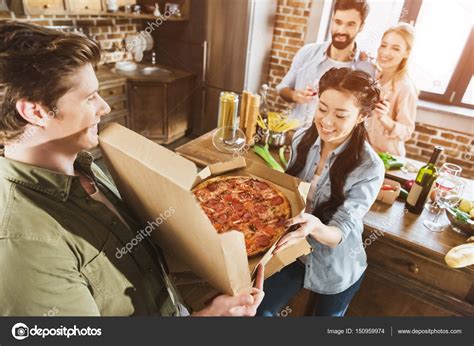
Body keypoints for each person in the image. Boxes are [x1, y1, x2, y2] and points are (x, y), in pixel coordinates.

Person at [0, 22, 264, 317]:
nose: (104, 107)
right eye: (89, 97)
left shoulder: (83, 165)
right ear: (36, 112)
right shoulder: (22, 246)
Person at [257, 67, 385, 317]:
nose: (326, 122)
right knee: (259, 311)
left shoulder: (369, 167)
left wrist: (314, 226)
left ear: (361, 116)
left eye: (340, 115)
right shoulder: (302, 138)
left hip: (337, 263)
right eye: (323, 108)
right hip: (293, 251)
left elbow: (342, 229)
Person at [277, 0, 374, 129]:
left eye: (350, 24)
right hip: (293, 133)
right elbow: (282, 88)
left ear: (361, 26)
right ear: (332, 20)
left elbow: (364, 114)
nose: (341, 30)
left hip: (330, 143)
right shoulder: (307, 52)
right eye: (338, 22)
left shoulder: (365, 69)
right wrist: (295, 95)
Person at [366, 23, 418, 157]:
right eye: (383, 45)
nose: (385, 52)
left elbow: (407, 131)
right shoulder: (376, 77)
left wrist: (384, 118)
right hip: (367, 152)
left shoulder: (405, 87)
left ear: (407, 53)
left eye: (395, 48)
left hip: (388, 158)